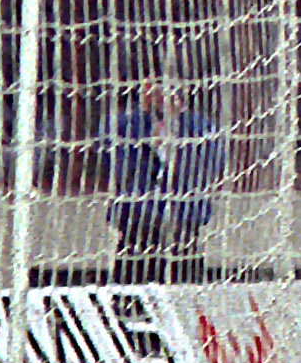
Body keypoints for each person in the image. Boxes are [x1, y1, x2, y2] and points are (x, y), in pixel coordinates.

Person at [97, 75, 226, 276]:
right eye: (148, 89)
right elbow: (113, 165)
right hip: (136, 225)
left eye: (161, 88)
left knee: (183, 287)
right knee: (131, 287)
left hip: (183, 224)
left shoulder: (203, 131)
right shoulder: (123, 127)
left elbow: (206, 170)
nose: (153, 94)